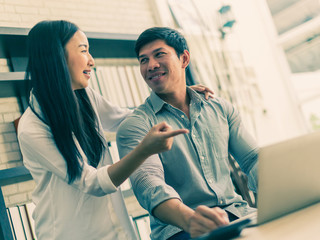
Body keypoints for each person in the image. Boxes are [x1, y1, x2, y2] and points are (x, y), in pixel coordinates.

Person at [17, 20, 211, 240]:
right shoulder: (32, 127)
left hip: (115, 230)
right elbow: (91, 182)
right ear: (56, 57)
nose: (92, 61)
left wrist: (176, 96)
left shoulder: (85, 96)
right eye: (84, 51)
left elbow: (127, 119)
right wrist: (143, 150)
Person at [116, 27, 258, 240]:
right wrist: (191, 220)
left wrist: (280, 191)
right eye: (143, 60)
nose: (150, 65)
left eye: (159, 54)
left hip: (238, 214)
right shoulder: (136, 126)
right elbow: (149, 184)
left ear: (184, 59)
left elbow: (252, 159)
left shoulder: (219, 107)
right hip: (180, 230)